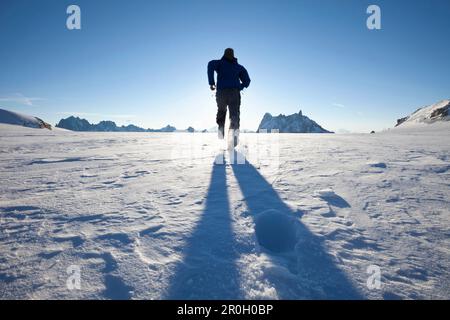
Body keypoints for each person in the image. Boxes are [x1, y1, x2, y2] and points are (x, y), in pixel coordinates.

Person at [208, 48, 250, 147]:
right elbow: (247, 80)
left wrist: (211, 83)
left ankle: (222, 131)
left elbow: (210, 64)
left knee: (222, 111)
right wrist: (240, 87)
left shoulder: (219, 63)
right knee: (234, 116)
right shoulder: (238, 67)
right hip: (233, 93)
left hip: (222, 92)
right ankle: (233, 140)